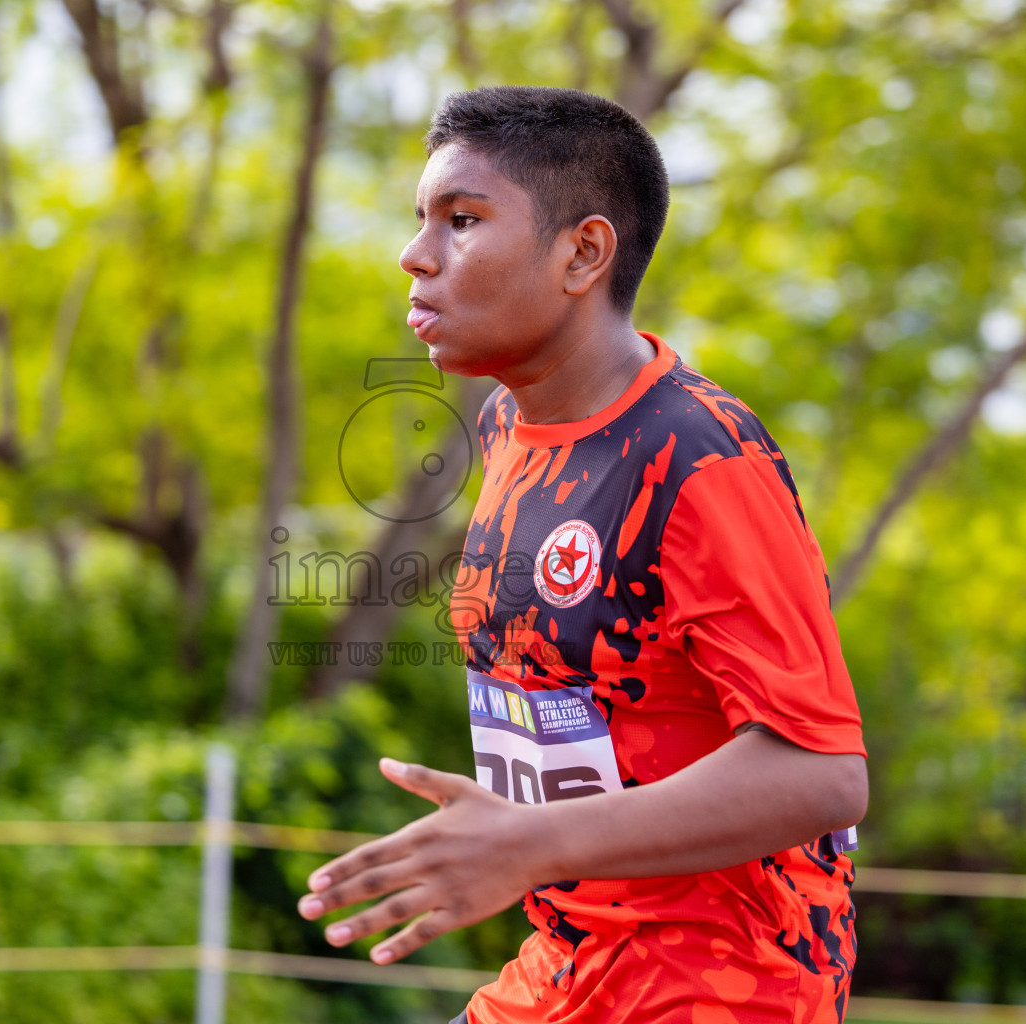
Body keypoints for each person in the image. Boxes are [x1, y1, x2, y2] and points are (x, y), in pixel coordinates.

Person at [296, 85, 868, 1024]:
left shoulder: (699, 456)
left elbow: (823, 771)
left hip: (722, 985)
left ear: (583, 254)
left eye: (463, 219)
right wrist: (526, 848)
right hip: (564, 967)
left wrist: (533, 843)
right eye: (421, 220)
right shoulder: (507, 424)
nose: (415, 254)